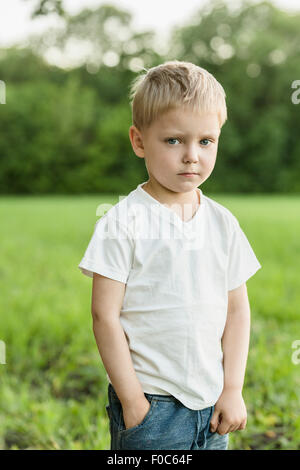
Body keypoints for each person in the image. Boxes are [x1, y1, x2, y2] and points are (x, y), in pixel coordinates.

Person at [78, 60, 262, 450]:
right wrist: (132, 401)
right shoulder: (123, 221)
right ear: (140, 140)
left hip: (212, 404)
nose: (192, 155)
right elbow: (104, 316)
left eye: (206, 141)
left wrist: (232, 388)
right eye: (174, 140)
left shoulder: (223, 223)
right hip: (153, 406)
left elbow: (237, 310)